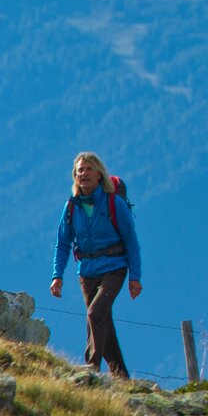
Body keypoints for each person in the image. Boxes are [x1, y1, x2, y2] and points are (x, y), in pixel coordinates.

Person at [51, 152, 142, 379]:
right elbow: (62, 243)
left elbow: (131, 241)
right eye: (80, 170)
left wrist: (135, 277)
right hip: (87, 271)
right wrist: (57, 275)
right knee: (102, 319)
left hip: (114, 267)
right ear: (75, 176)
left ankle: (91, 366)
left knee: (95, 312)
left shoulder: (115, 203)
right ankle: (120, 375)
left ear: (100, 174)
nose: (84, 174)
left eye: (89, 169)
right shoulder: (72, 207)